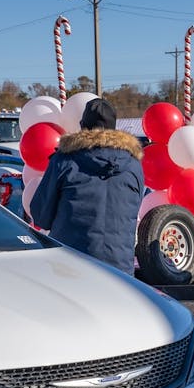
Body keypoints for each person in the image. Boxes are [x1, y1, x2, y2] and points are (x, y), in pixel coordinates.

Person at [30, 98, 144, 275]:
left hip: (72, 267)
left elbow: (41, 216)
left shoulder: (65, 160)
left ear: (83, 126)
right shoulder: (133, 165)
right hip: (120, 271)